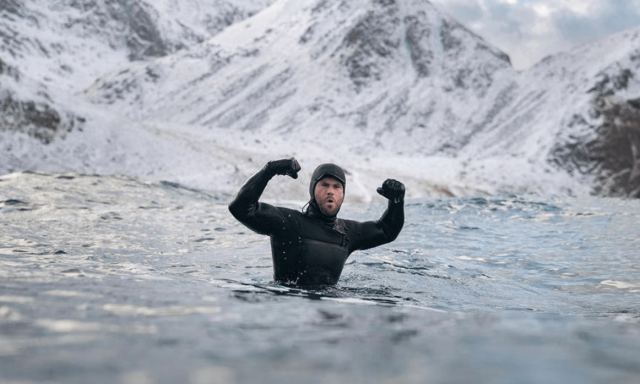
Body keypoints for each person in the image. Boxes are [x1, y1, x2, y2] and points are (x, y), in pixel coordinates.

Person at [228, 158, 405, 286]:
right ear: (313, 190)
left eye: (337, 187)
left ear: (343, 194)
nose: (330, 191)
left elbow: (387, 230)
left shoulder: (349, 233)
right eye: (324, 185)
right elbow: (241, 209)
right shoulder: (288, 222)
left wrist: (396, 202)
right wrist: (269, 170)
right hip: (286, 308)